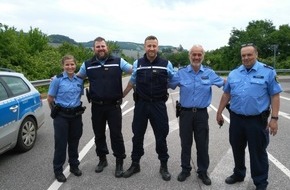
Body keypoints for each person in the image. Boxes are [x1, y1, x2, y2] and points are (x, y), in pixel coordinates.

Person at [216, 43, 282, 190]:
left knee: (257, 152)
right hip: (236, 119)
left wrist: (274, 119)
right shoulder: (234, 73)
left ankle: (260, 182)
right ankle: (239, 174)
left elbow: (275, 96)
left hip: (257, 121)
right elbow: (227, 94)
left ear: (256, 55)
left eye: (249, 55)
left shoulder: (268, 72)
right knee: (237, 148)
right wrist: (219, 112)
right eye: (243, 55)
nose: (246, 58)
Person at [168, 45, 224, 185]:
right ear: (189, 56)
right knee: (185, 143)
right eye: (194, 54)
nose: (196, 57)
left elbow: (226, 84)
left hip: (201, 115)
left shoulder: (209, 73)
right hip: (185, 114)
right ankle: (185, 169)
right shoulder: (181, 73)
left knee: (202, 144)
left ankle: (203, 171)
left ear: (203, 56)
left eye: (199, 54)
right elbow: (168, 84)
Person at [122, 35, 175, 181]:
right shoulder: (138, 63)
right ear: (144, 47)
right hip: (141, 105)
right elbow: (132, 82)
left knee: (161, 136)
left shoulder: (166, 64)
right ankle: (135, 164)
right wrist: (121, 96)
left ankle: (163, 166)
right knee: (137, 135)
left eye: (154, 46)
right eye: (149, 46)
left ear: (157, 47)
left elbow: (174, 79)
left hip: (158, 105)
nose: (151, 48)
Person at [77, 37, 132, 178]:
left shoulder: (118, 62)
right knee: (99, 135)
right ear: (93, 49)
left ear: (107, 47)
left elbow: (134, 71)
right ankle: (102, 159)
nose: (100, 49)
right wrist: (58, 78)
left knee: (116, 135)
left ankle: (119, 162)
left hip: (114, 107)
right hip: (97, 107)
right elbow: (76, 78)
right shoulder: (87, 65)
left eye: (103, 46)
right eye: (98, 47)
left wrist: (125, 93)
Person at [47, 55, 85, 183]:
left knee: (74, 142)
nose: (70, 67)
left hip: (75, 116)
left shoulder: (79, 80)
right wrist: (55, 113)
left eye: (72, 64)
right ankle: (58, 170)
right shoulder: (57, 80)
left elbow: (79, 96)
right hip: (61, 116)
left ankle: (74, 166)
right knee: (61, 144)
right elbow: (50, 98)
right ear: (63, 66)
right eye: (67, 65)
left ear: (76, 65)